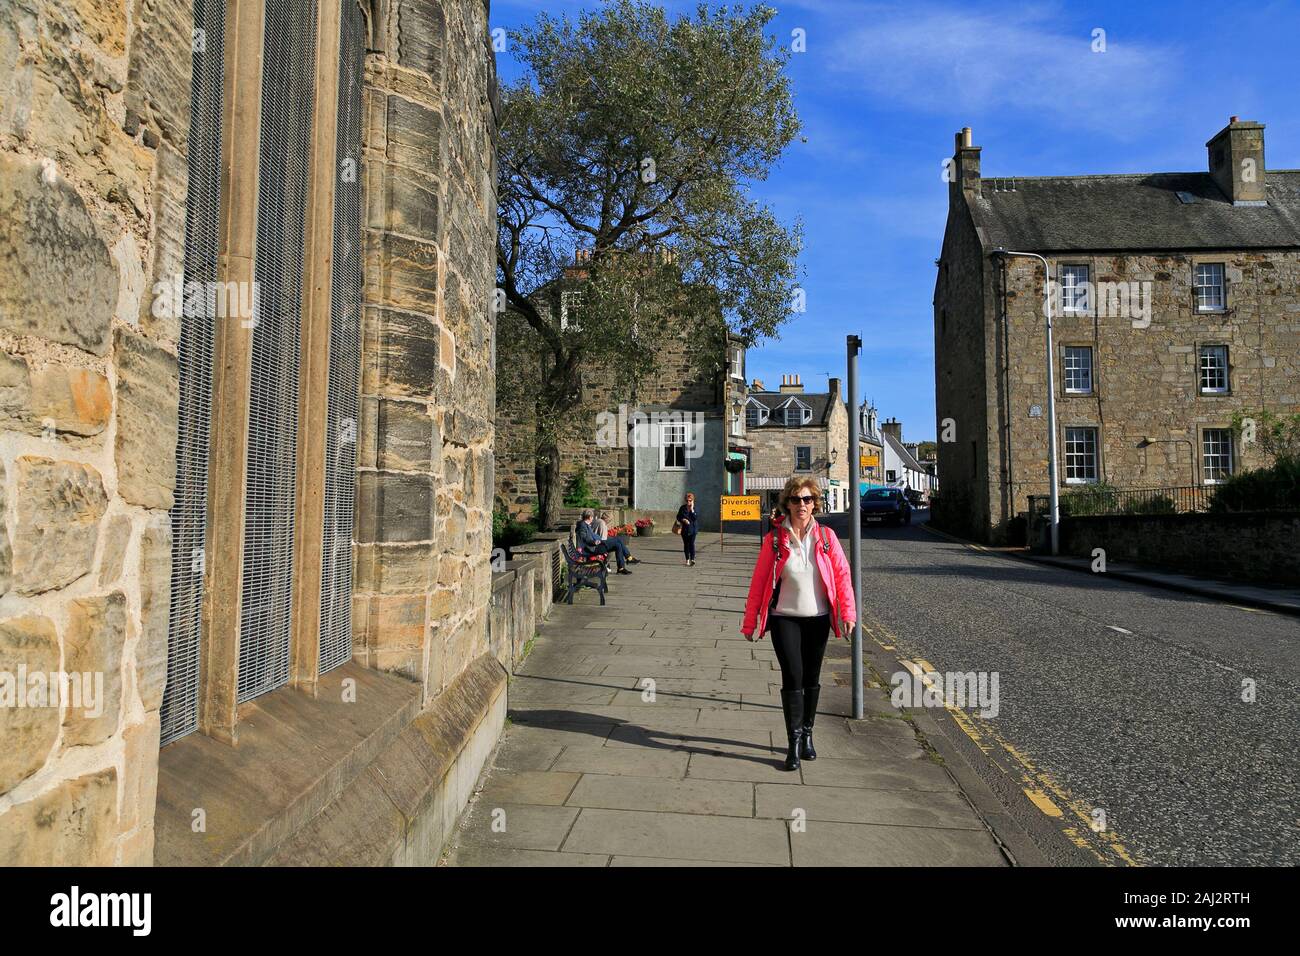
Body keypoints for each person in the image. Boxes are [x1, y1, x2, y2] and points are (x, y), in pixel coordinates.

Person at [741, 476, 856, 771]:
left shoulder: (827, 538)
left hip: (817, 619)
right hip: (784, 618)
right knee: (792, 676)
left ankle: (808, 735)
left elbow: (842, 577)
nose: (801, 504)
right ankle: (792, 743)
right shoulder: (775, 539)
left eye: (807, 499)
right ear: (787, 504)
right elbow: (759, 581)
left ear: (815, 503)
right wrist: (749, 620)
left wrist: (848, 613)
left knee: (811, 679)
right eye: (795, 499)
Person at [576, 509, 633, 574]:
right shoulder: (582, 526)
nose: (592, 519)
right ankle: (628, 558)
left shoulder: (586, 525)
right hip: (592, 548)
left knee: (618, 544)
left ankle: (621, 568)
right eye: (592, 517)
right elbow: (584, 538)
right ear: (590, 517)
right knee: (618, 540)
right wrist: (594, 542)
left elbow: (592, 535)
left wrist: (598, 539)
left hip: (595, 544)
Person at [675, 492, 699, 566]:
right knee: (686, 544)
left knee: (691, 544)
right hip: (684, 529)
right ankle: (687, 560)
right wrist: (683, 520)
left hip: (693, 529)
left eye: (690, 500)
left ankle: (692, 559)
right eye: (687, 500)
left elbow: (695, 518)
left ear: (693, 500)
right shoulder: (682, 508)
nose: (688, 502)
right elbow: (678, 517)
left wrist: (692, 510)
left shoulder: (695, 508)